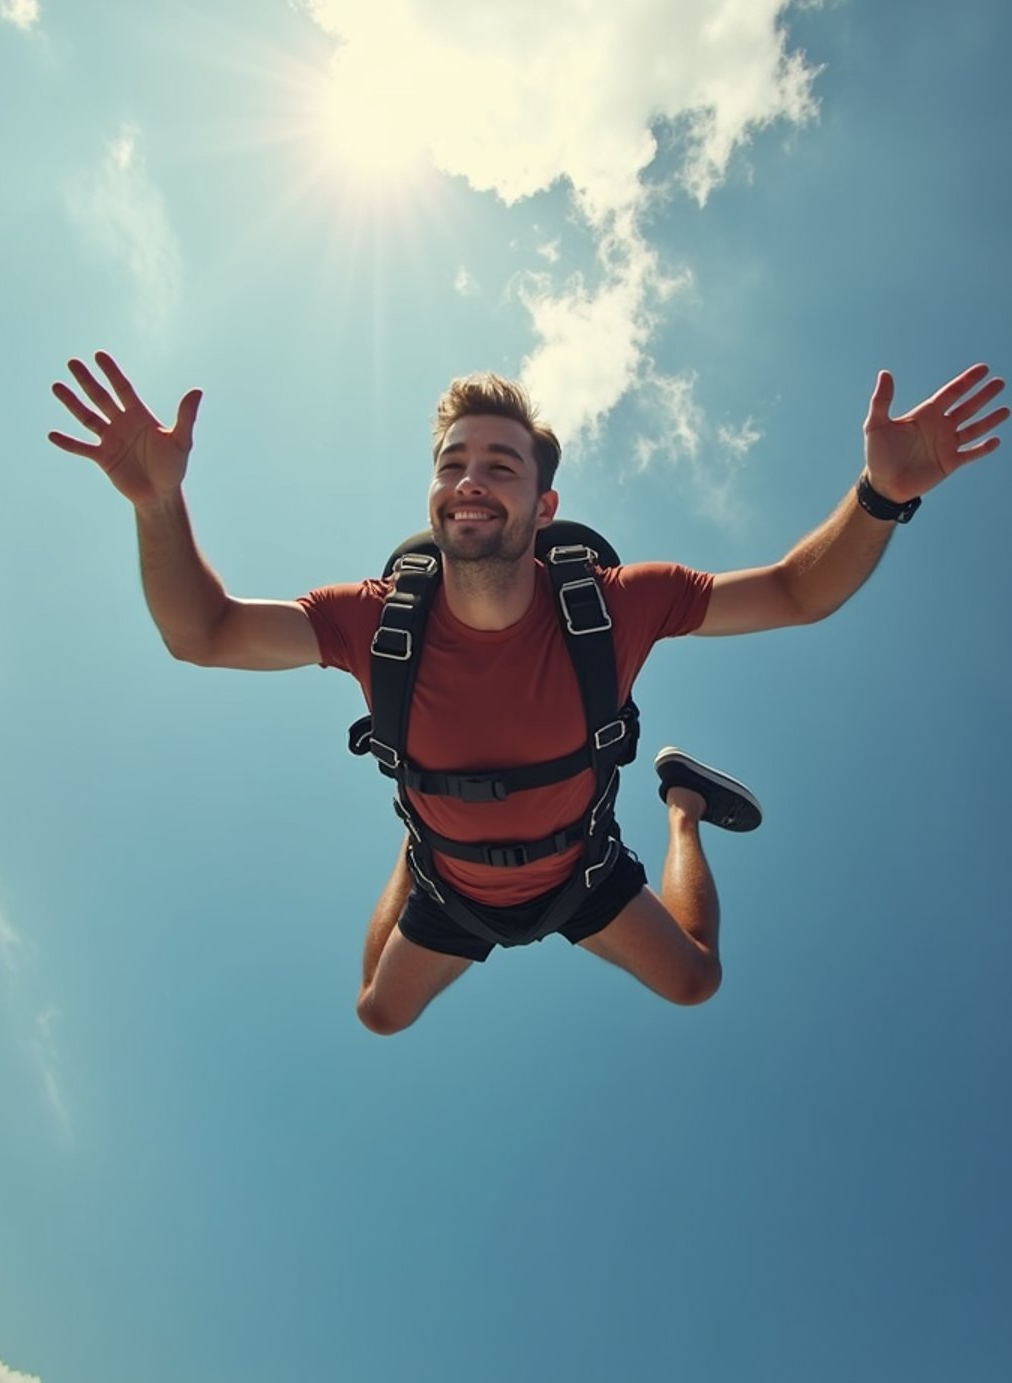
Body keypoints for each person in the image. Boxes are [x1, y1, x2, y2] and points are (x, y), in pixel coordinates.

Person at [50, 352, 1007, 1034]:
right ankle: (421, 833)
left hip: (580, 873)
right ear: (432, 496)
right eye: (452, 464)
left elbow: (798, 592)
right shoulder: (376, 621)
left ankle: (682, 808)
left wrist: (881, 496)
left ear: (543, 508)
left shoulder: (619, 607)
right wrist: (156, 503)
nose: (470, 481)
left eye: (499, 466)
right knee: (377, 1014)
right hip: (450, 886)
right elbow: (202, 634)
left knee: (697, 983)